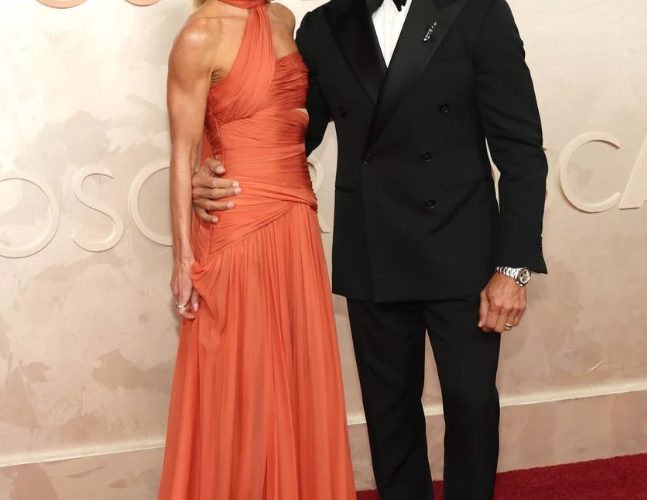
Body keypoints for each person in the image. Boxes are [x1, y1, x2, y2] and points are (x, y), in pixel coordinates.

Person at [191, 0, 549, 498]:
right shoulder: (323, 25)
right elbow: (288, 135)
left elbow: (521, 149)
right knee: (389, 415)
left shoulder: (476, 10)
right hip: (372, 247)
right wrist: (215, 169)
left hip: (463, 249)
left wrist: (513, 268)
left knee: (471, 404)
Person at [157, 0, 357, 499]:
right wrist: (183, 260)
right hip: (238, 225)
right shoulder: (199, 34)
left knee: (297, 379)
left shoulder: (282, 18)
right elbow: (182, 153)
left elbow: (288, 120)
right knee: (241, 382)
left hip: (296, 224)